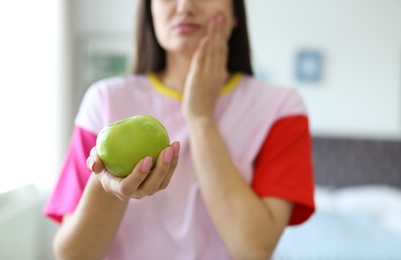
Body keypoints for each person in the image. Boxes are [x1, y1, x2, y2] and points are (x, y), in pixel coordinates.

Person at [44, 0, 315, 259]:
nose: (185, 5)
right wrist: (109, 186)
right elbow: (73, 255)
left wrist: (200, 116)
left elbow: (254, 251)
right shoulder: (104, 99)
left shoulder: (280, 106)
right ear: (150, 11)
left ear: (234, 13)